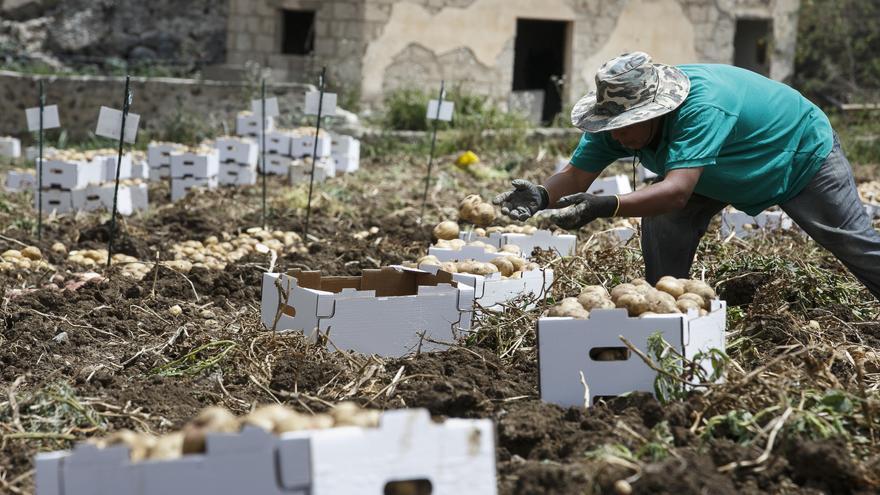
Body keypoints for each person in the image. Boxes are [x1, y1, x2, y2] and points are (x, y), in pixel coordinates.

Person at [493, 51, 880, 299]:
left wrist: (605, 206)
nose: (618, 135)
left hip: (795, 152)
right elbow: (576, 176)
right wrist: (542, 196)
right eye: (613, 126)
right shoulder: (616, 125)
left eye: (629, 126)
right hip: (717, 166)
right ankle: (666, 304)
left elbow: (676, 190)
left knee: (850, 242)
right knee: (662, 217)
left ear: (656, 112)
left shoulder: (701, 108)